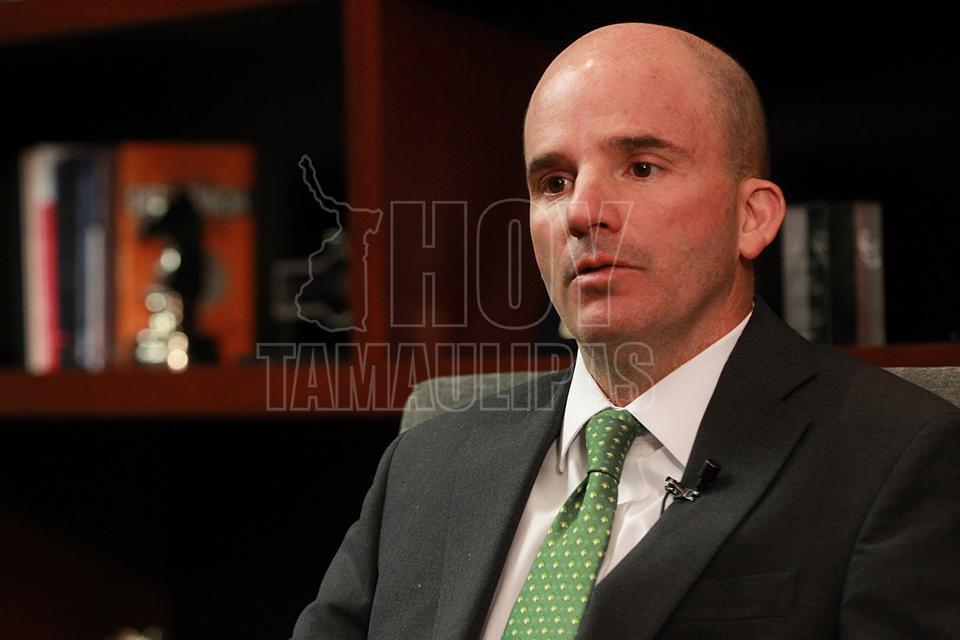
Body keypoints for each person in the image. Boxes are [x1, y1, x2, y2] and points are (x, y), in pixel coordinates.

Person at [290, 23, 960, 639]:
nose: (582, 212)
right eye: (554, 182)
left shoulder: (899, 457)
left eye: (641, 166)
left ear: (752, 217)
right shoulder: (424, 465)